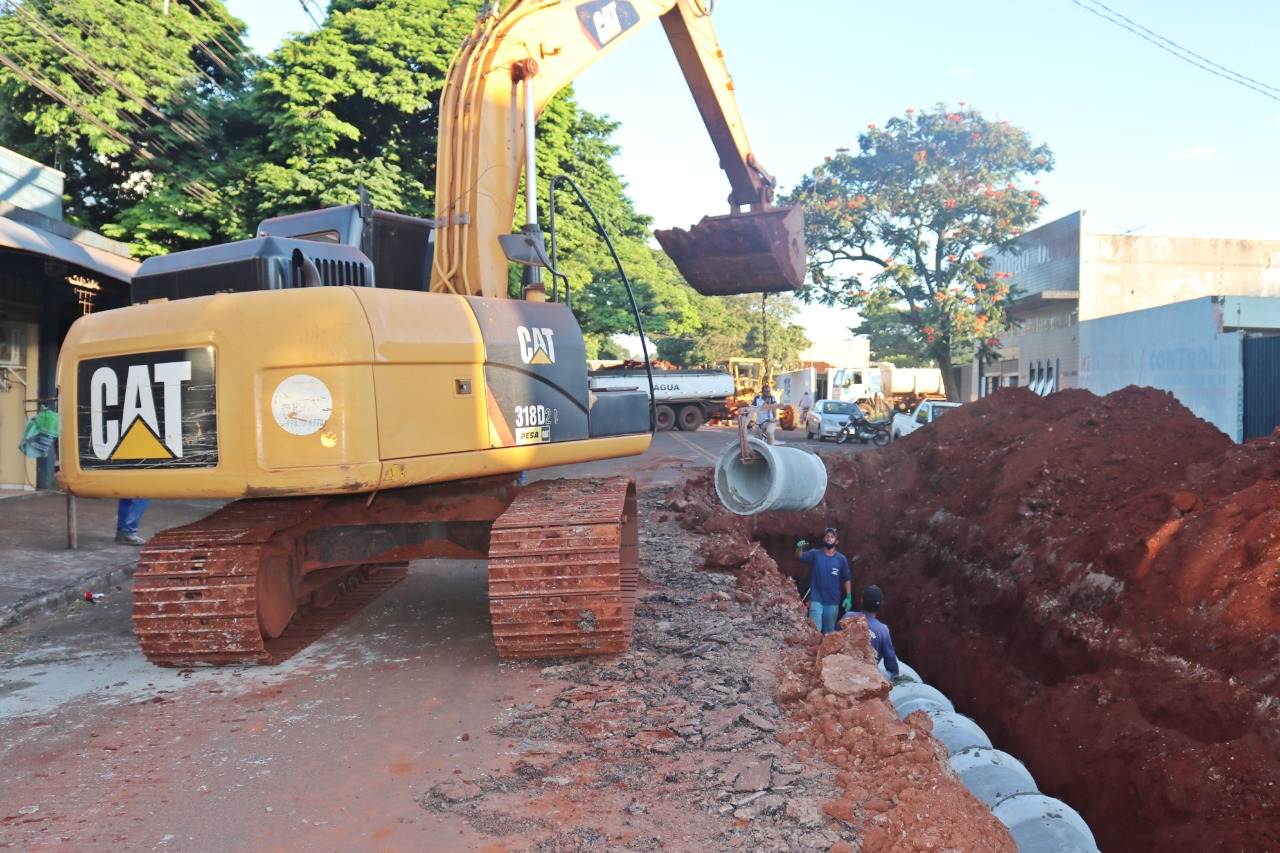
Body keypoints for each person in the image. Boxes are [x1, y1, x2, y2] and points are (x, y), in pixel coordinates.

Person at [795, 527, 851, 633]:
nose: (829, 539)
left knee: (829, 631)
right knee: (814, 629)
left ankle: (826, 649)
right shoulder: (815, 554)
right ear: (824, 539)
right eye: (827, 536)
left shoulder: (841, 559)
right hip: (816, 598)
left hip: (832, 600)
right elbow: (800, 556)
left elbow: (847, 578)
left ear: (837, 541)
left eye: (832, 537)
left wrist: (849, 597)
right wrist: (799, 548)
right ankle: (813, 649)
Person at [838, 584, 900, 679]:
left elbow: (834, 638)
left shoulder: (848, 617)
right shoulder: (883, 630)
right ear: (881, 604)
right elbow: (890, 658)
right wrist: (895, 674)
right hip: (868, 677)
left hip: (843, 669)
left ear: (862, 601)